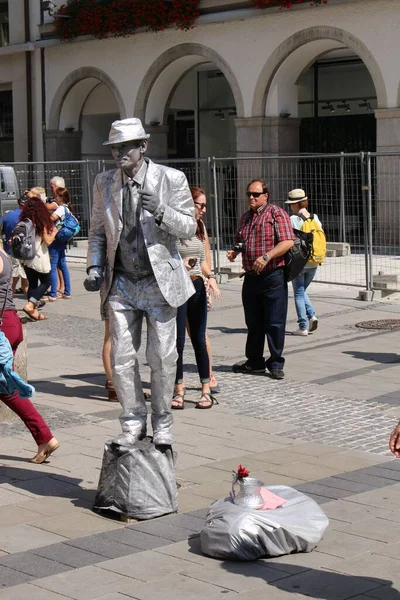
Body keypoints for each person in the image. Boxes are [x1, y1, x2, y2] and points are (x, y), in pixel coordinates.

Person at [84, 118, 196, 446]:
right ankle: (132, 420)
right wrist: (93, 266)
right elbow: (96, 231)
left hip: (159, 283)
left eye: (125, 146)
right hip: (121, 282)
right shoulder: (104, 182)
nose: (119, 152)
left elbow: (189, 227)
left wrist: (162, 210)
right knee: (120, 357)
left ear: (142, 146)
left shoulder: (171, 179)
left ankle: (162, 423)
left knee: (161, 357)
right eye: (114, 147)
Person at [227, 179, 294, 380]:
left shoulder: (276, 213)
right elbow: (241, 241)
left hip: (272, 276)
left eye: (256, 194)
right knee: (253, 323)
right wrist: (235, 251)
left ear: (266, 195)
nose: (251, 198)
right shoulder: (246, 217)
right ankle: (254, 362)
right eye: (249, 194)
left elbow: (288, 241)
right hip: (251, 277)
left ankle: (275, 363)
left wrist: (267, 256)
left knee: (274, 322)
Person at [0, 244, 59, 462]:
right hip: (9, 323)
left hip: (3, 327)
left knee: (7, 388)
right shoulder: (3, 253)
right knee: (6, 387)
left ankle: (45, 436)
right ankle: (44, 438)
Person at [172, 187, 221, 410]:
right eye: (199, 205)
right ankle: (179, 390)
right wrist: (179, 264)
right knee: (178, 343)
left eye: (204, 206)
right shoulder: (174, 226)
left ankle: (205, 390)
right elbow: (164, 256)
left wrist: (211, 277)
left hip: (197, 285)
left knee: (199, 339)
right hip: (178, 286)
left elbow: (202, 259)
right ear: (188, 203)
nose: (203, 210)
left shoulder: (199, 227)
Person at [286, 188, 322, 336]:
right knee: (302, 291)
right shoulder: (315, 218)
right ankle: (311, 316)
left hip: (299, 261)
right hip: (314, 260)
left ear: (295, 204)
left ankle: (303, 327)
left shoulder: (293, 220)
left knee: (299, 294)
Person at [20, 197, 57, 321]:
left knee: (33, 284)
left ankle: (33, 312)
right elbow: (48, 241)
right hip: (39, 257)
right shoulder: (41, 222)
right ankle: (30, 305)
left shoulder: (25, 221)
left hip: (26, 257)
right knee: (47, 282)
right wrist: (55, 232)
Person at [48, 187, 73, 301]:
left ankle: (53, 294)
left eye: (56, 196)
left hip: (56, 239)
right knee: (62, 264)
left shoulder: (61, 209)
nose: (55, 198)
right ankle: (67, 292)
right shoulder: (67, 208)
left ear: (61, 197)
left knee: (53, 266)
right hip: (62, 239)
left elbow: (52, 218)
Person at [2, 194, 29, 296]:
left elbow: (2, 230)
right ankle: (13, 292)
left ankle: (25, 291)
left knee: (17, 270)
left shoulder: (8, 215)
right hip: (23, 249)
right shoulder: (27, 217)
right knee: (19, 271)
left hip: (9, 248)